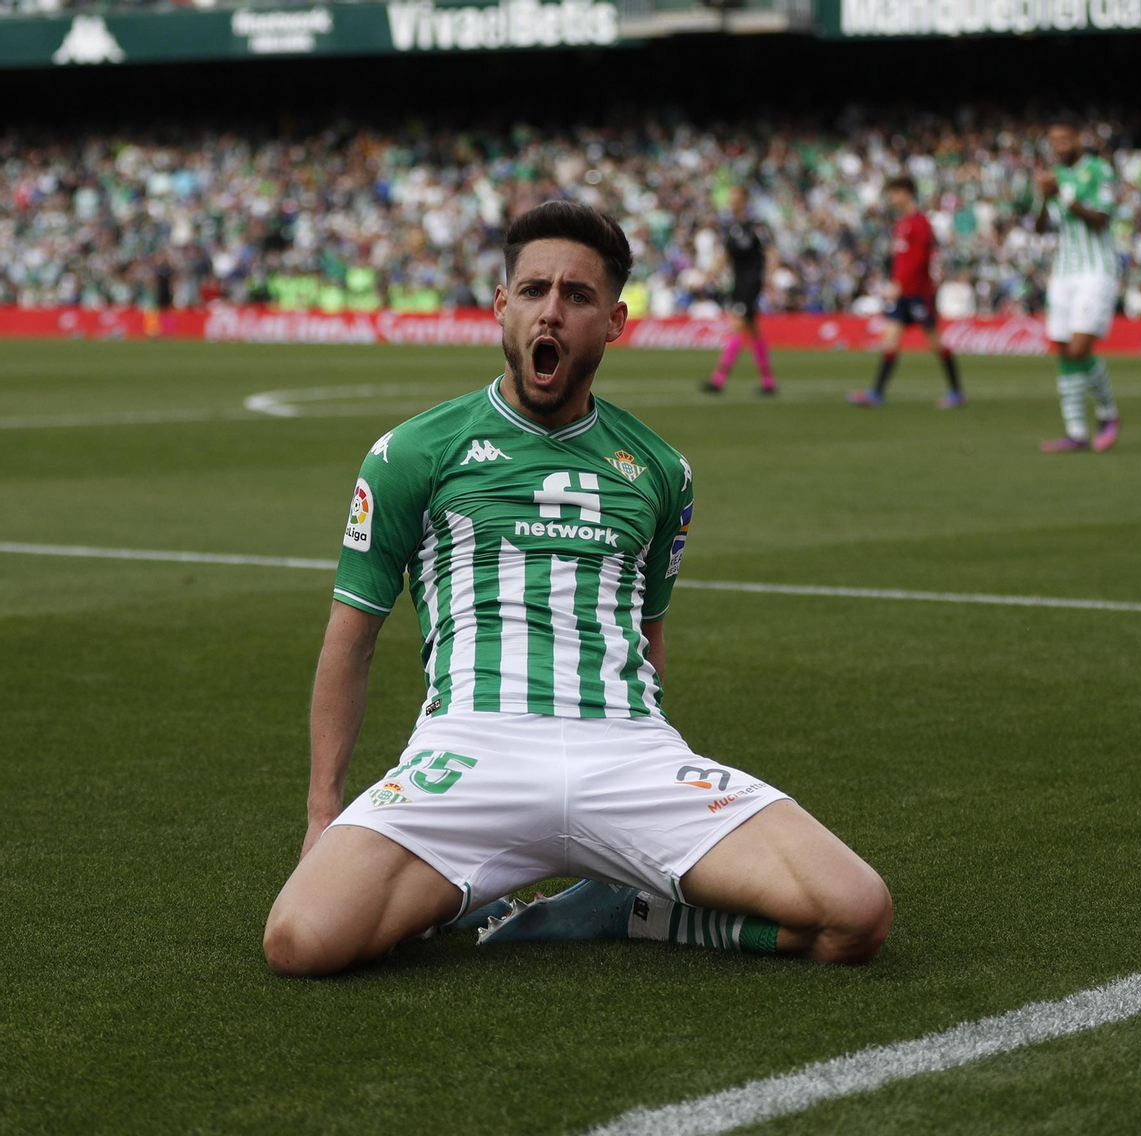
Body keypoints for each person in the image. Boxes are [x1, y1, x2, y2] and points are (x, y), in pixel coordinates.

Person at [263, 202, 893, 977]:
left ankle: (622, 909)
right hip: (471, 749)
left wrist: (661, 786)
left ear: (615, 321)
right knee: (301, 941)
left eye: (576, 295)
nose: (550, 311)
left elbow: (650, 637)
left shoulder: (662, 470)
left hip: (625, 751)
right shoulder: (412, 453)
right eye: (532, 291)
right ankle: (462, 895)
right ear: (502, 306)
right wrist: (323, 816)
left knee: (855, 916)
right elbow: (349, 640)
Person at [1034, 123, 1121, 453]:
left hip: (1096, 269)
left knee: (1079, 348)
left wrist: (1063, 198)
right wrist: (1044, 200)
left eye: (1064, 139)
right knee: (1062, 348)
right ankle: (1076, 432)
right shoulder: (1052, 176)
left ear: (1078, 140)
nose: (1057, 145)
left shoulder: (1098, 170)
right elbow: (1042, 228)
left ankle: (1109, 414)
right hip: (1063, 272)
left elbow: (1102, 218)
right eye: (1053, 140)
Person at [848, 176, 964, 408]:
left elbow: (920, 259)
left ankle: (956, 393)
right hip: (901, 294)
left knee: (934, 342)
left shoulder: (920, 223)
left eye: (894, 193)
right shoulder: (901, 223)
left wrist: (899, 283)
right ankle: (876, 393)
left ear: (906, 193)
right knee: (890, 339)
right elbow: (901, 259)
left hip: (918, 292)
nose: (891, 198)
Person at [702, 185, 777, 396]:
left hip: (751, 283)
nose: (731, 200)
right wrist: (709, 274)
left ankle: (719, 379)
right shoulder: (731, 227)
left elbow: (770, 251)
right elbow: (724, 256)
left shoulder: (755, 225)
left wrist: (770, 278)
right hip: (738, 283)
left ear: (744, 199)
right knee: (752, 330)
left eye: (735, 196)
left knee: (736, 325)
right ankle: (768, 381)